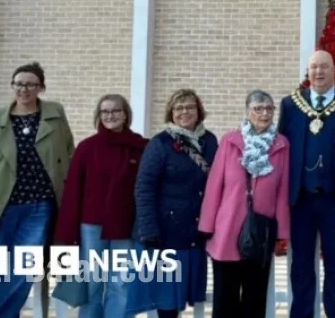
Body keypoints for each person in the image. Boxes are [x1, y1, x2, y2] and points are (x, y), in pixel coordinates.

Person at [0, 62, 75, 318]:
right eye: (19, 83)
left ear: (41, 88)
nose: (24, 89)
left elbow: (69, 154)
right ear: (12, 86)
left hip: (40, 206)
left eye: (31, 84)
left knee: (24, 267)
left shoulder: (55, 115)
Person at [278, 50, 335, 318]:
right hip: (302, 199)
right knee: (301, 264)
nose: (318, 72)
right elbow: (282, 149)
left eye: (324, 67)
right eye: (314, 67)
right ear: (308, 71)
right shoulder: (290, 105)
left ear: (334, 70)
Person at [53, 93, 148, 318]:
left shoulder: (141, 147)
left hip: (125, 226)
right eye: (105, 111)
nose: (110, 115)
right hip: (91, 227)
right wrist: (66, 231)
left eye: (115, 111)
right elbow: (73, 190)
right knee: (91, 283)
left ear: (125, 115)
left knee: (121, 284)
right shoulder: (87, 148)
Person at [126, 88, 218, 318]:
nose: (184, 112)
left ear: (199, 111)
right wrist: (148, 228)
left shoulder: (210, 141)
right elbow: (144, 188)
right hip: (165, 232)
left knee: (182, 298)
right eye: (179, 108)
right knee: (166, 301)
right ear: (171, 113)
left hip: (194, 231)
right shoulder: (160, 143)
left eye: (190, 107)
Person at [198, 90, 290, 318]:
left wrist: (282, 232)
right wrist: (207, 225)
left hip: (260, 231)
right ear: (248, 112)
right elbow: (215, 185)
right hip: (227, 229)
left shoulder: (281, 144)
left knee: (255, 300)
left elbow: (282, 190)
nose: (264, 113)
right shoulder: (231, 141)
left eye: (269, 108)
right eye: (258, 108)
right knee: (224, 299)